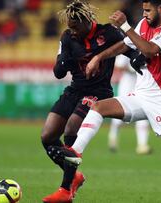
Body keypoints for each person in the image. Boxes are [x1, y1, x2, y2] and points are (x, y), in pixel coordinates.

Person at [49, 0, 161, 202]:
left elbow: (150, 50)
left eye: (148, 10)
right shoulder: (143, 24)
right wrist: (98, 58)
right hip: (141, 95)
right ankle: (75, 152)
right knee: (98, 107)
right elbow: (124, 45)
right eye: (143, 10)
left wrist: (125, 26)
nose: (144, 14)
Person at [41, 1, 142, 202]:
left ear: (88, 21)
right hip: (74, 90)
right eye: (69, 27)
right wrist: (64, 59)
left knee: (71, 129)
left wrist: (141, 65)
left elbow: (133, 51)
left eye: (75, 27)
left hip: (99, 92)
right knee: (48, 136)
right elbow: (58, 72)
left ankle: (65, 189)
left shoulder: (110, 34)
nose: (72, 31)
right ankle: (74, 176)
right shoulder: (68, 38)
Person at [108, 54, 151, 155]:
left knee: (144, 114)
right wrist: (131, 68)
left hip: (141, 84)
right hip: (127, 84)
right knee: (120, 113)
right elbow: (118, 65)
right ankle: (113, 139)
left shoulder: (146, 48)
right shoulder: (131, 47)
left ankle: (142, 145)